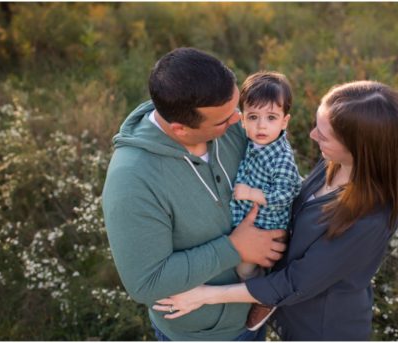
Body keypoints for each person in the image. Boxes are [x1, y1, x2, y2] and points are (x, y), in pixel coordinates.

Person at [152, 80, 398, 341]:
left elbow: (294, 283)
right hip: (286, 312)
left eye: (324, 135)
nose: (313, 136)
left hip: (319, 330)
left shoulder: (368, 219)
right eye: (317, 126)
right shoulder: (335, 165)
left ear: (360, 149)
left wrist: (205, 295)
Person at [102, 47, 288, 341]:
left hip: (254, 312)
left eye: (237, 108)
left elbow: (275, 170)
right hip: (202, 333)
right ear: (181, 129)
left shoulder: (229, 124)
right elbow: (147, 282)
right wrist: (235, 248)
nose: (238, 121)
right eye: (223, 120)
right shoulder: (132, 180)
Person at [228, 72, 302, 330]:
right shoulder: (254, 141)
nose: (261, 126)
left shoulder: (280, 157)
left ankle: (264, 295)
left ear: (284, 122)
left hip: (266, 227)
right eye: (253, 117)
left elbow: (285, 193)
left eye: (271, 118)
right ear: (243, 118)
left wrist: (250, 193)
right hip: (249, 218)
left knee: (244, 267)